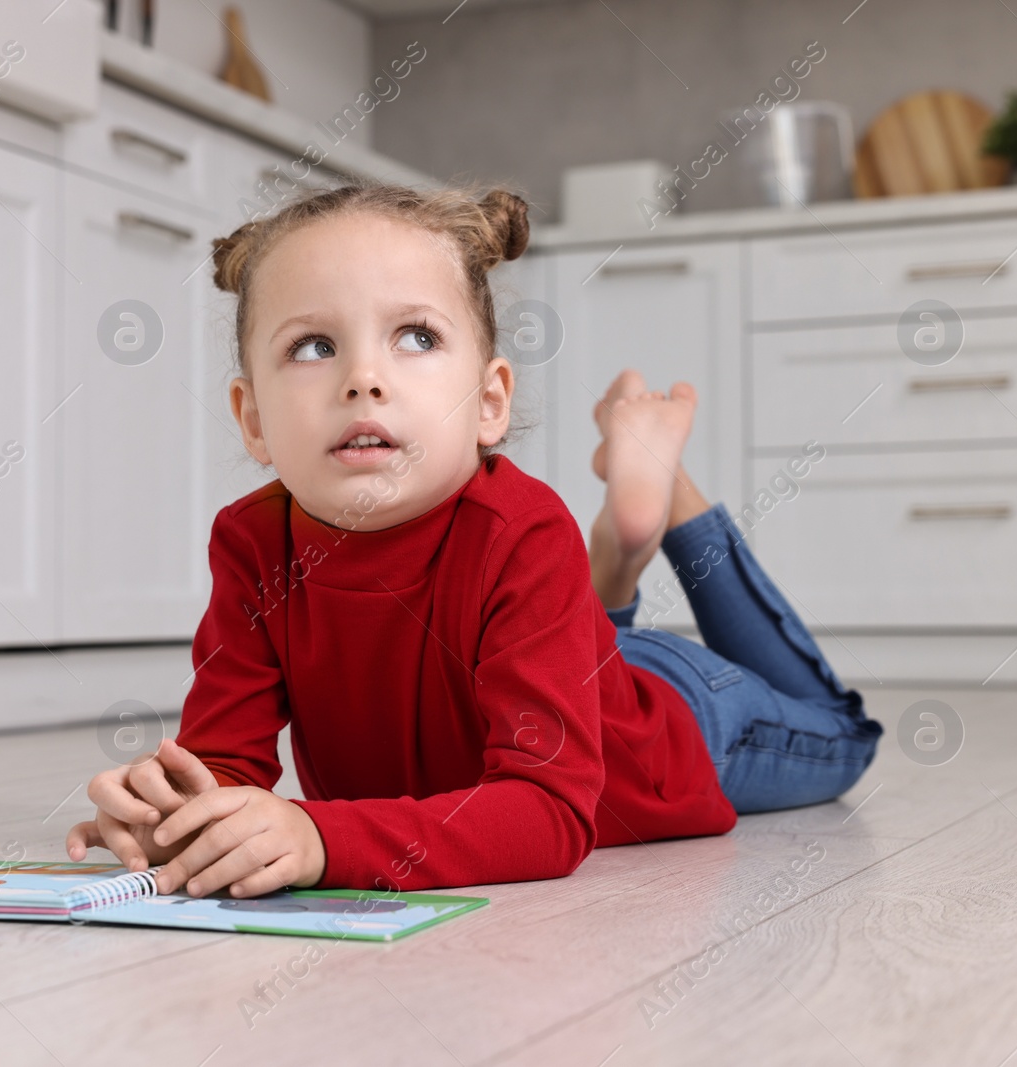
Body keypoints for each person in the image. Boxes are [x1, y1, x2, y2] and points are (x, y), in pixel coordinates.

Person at [66, 182, 883, 899]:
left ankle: (670, 503)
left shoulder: (523, 530)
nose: (363, 377)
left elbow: (550, 813)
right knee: (573, 645)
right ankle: (616, 566)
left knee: (842, 733)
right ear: (252, 419)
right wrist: (172, 818)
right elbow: (228, 773)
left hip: (674, 728)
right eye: (313, 346)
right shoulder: (250, 542)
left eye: (415, 337)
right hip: (553, 668)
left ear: (490, 402)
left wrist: (321, 839)